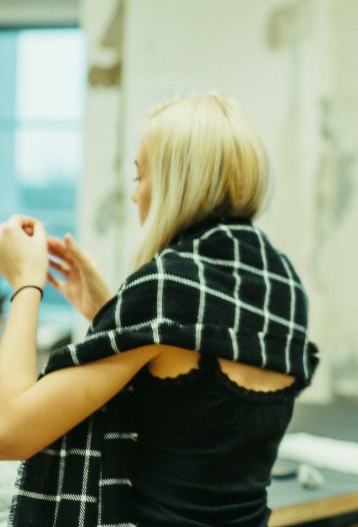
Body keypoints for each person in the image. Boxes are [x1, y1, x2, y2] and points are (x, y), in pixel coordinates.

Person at [0, 92, 318, 527]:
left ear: (176, 184)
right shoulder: (283, 286)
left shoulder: (169, 287)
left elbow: (9, 431)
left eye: (140, 176)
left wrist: (25, 282)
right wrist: (108, 312)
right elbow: (193, 411)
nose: (135, 196)